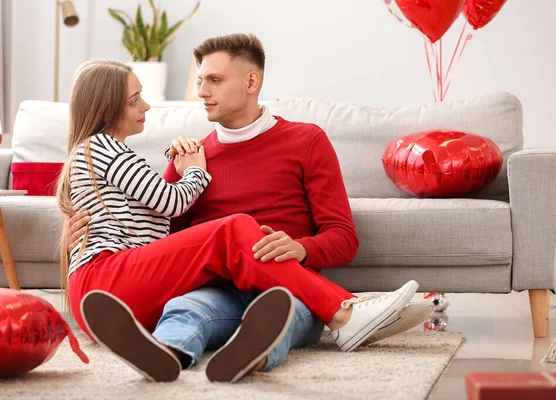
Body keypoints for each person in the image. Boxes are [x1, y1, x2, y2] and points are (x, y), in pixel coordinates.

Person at [65, 34, 433, 384]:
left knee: (278, 315)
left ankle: (249, 356)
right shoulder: (196, 157)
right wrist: (87, 232)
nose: (201, 92)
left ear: (250, 81)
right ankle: (165, 354)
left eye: (214, 80)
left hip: (290, 284)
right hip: (217, 288)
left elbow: (343, 238)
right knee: (186, 311)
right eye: (199, 80)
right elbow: (167, 243)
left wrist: (303, 248)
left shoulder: (307, 140)